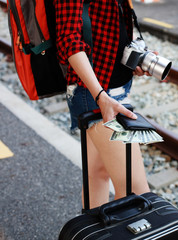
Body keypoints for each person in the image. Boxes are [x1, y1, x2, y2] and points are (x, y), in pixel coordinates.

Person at [54, 0, 151, 208]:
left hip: (115, 88)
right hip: (95, 93)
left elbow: (110, 21)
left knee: (98, 174)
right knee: (135, 191)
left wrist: (136, 58)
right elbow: (68, 39)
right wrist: (100, 96)